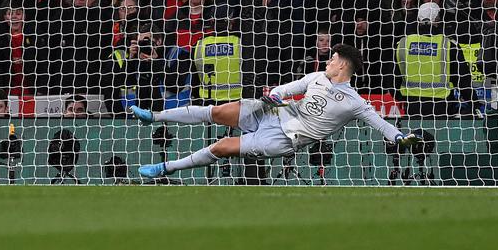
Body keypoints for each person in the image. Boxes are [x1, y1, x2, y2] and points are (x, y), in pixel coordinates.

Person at [130, 44, 420, 178]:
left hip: (281, 139)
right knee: (216, 111)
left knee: (221, 147)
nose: (328, 61)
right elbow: (289, 88)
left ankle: (165, 168)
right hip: (272, 113)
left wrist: (399, 137)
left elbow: (379, 122)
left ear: (343, 65)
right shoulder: (317, 76)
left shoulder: (354, 101)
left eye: (332, 59)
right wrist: (273, 94)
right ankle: (153, 116)